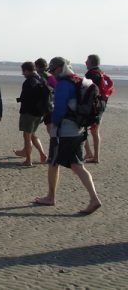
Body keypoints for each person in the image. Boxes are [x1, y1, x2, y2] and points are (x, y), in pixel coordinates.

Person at [34, 57, 101, 215]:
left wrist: (54, 125)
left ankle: (93, 198)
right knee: (59, 163)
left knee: (71, 165)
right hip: (76, 129)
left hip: (65, 132)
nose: (52, 72)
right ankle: (52, 196)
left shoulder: (64, 84)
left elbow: (59, 109)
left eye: (54, 69)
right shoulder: (76, 80)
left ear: (60, 68)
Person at [13, 61, 48, 166]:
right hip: (39, 112)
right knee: (32, 135)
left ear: (26, 70)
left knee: (27, 136)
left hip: (29, 112)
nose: (23, 74)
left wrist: (20, 100)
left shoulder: (29, 81)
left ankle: (28, 160)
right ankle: (42, 154)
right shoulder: (41, 79)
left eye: (23, 72)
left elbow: (26, 97)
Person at [83, 54, 108, 164]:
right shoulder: (101, 73)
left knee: (81, 129)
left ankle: (89, 153)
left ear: (91, 62)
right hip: (101, 105)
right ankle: (95, 156)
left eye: (87, 60)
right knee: (95, 131)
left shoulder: (91, 74)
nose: (85, 62)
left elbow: (87, 91)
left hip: (93, 107)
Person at [35, 57, 56, 136]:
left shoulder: (40, 75)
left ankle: (55, 142)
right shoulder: (51, 75)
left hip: (44, 104)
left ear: (37, 66)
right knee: (50, 125)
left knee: (32, 128)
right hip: (51, 103)